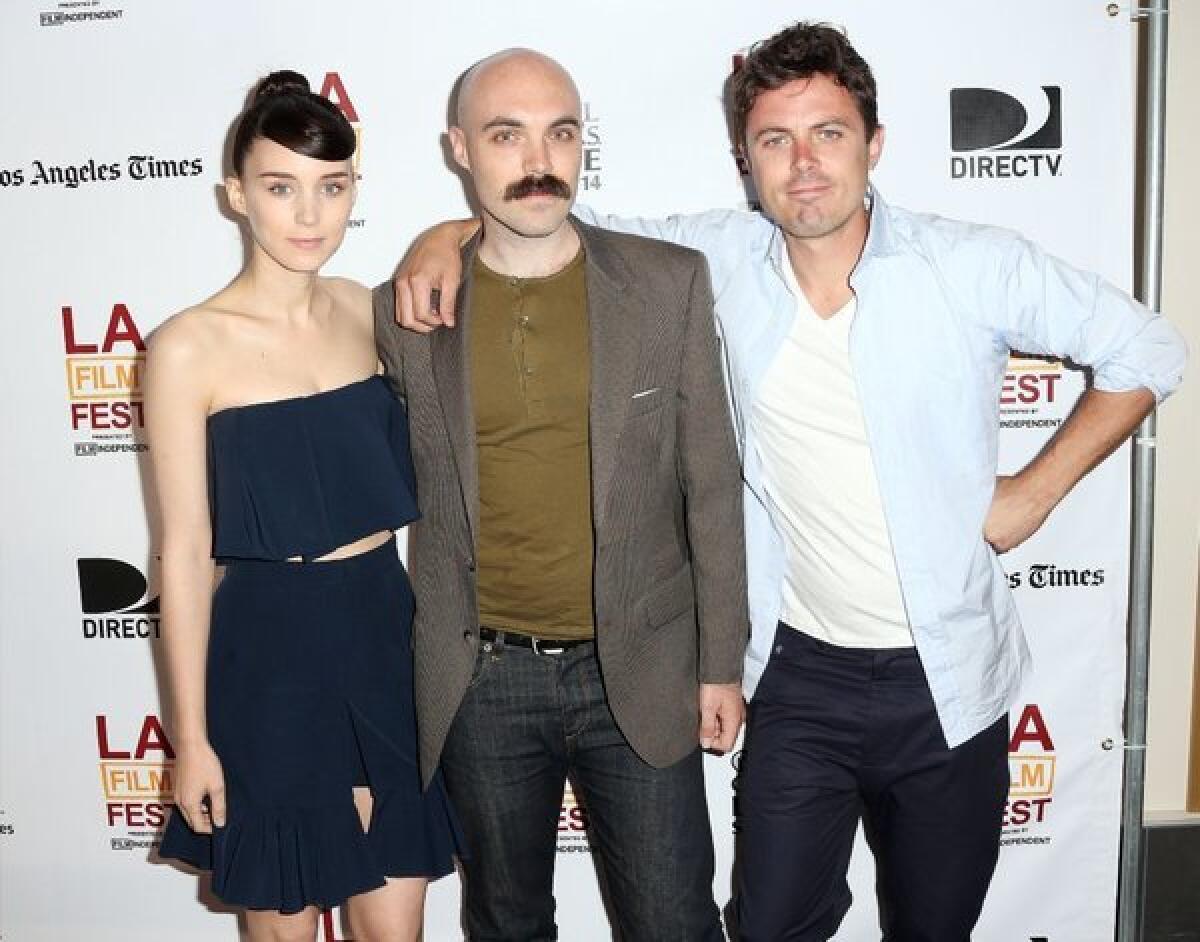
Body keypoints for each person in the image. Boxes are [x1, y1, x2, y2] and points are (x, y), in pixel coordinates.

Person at [392, 22, 1187, 942]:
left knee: (933, 927)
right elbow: (544, 216)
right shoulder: (712, 261)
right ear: (746, 159)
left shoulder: (971, 264)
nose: (803, 165)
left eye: (830, 134)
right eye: (776, 140)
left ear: (874, 143)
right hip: (798, 676)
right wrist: (441, 235)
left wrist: (1033, 491)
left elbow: (1147, 349)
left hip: (949, 678)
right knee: (767, 925)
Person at [373, 49, 747, 941]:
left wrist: (721, 661)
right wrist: (439, 238)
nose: (539, 158)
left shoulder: (668, 282)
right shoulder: (405, 309)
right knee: (506, 923)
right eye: (507, 135)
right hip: (480, 679)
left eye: (561, 132)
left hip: (643, 670)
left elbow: (713, 484)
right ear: (459, 149)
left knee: (674, 922)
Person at [148, 71, 461, 942]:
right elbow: (181, 552)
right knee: (281, 928)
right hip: (265, 654)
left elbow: (507, 230)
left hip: (381, 631)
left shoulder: (369, 311)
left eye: (333, 187)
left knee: (393, 930)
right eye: (282, 188)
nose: (309, 214)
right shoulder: (185, 347)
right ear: (236, 195)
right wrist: (192, 739)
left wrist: (443, 229)